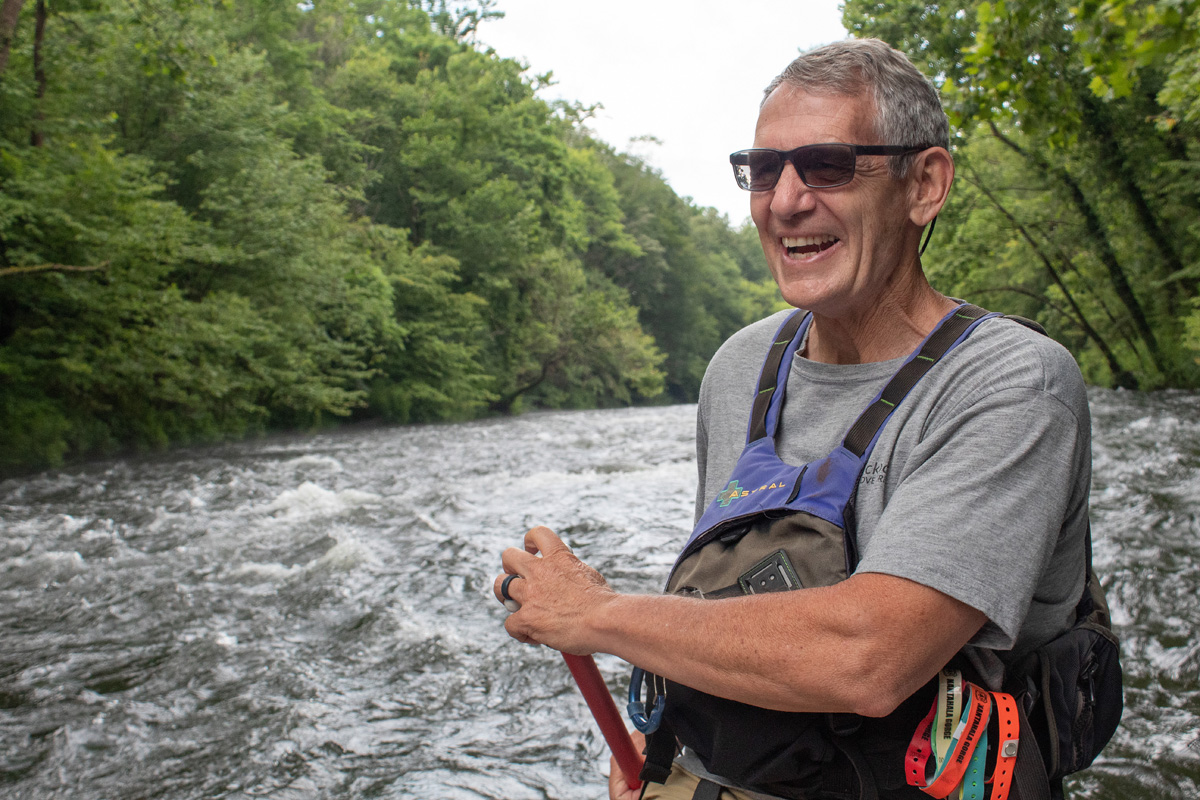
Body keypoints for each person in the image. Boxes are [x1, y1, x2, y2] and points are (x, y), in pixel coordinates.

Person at [494, 38, 1093, 800]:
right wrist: (666, 734)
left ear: (925, 184)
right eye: (763, 170)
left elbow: (870, 658)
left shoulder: (1013, 384)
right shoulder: (739, 366)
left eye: (828, 165)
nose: (785, 201)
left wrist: (599, 614)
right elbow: (724, 596)